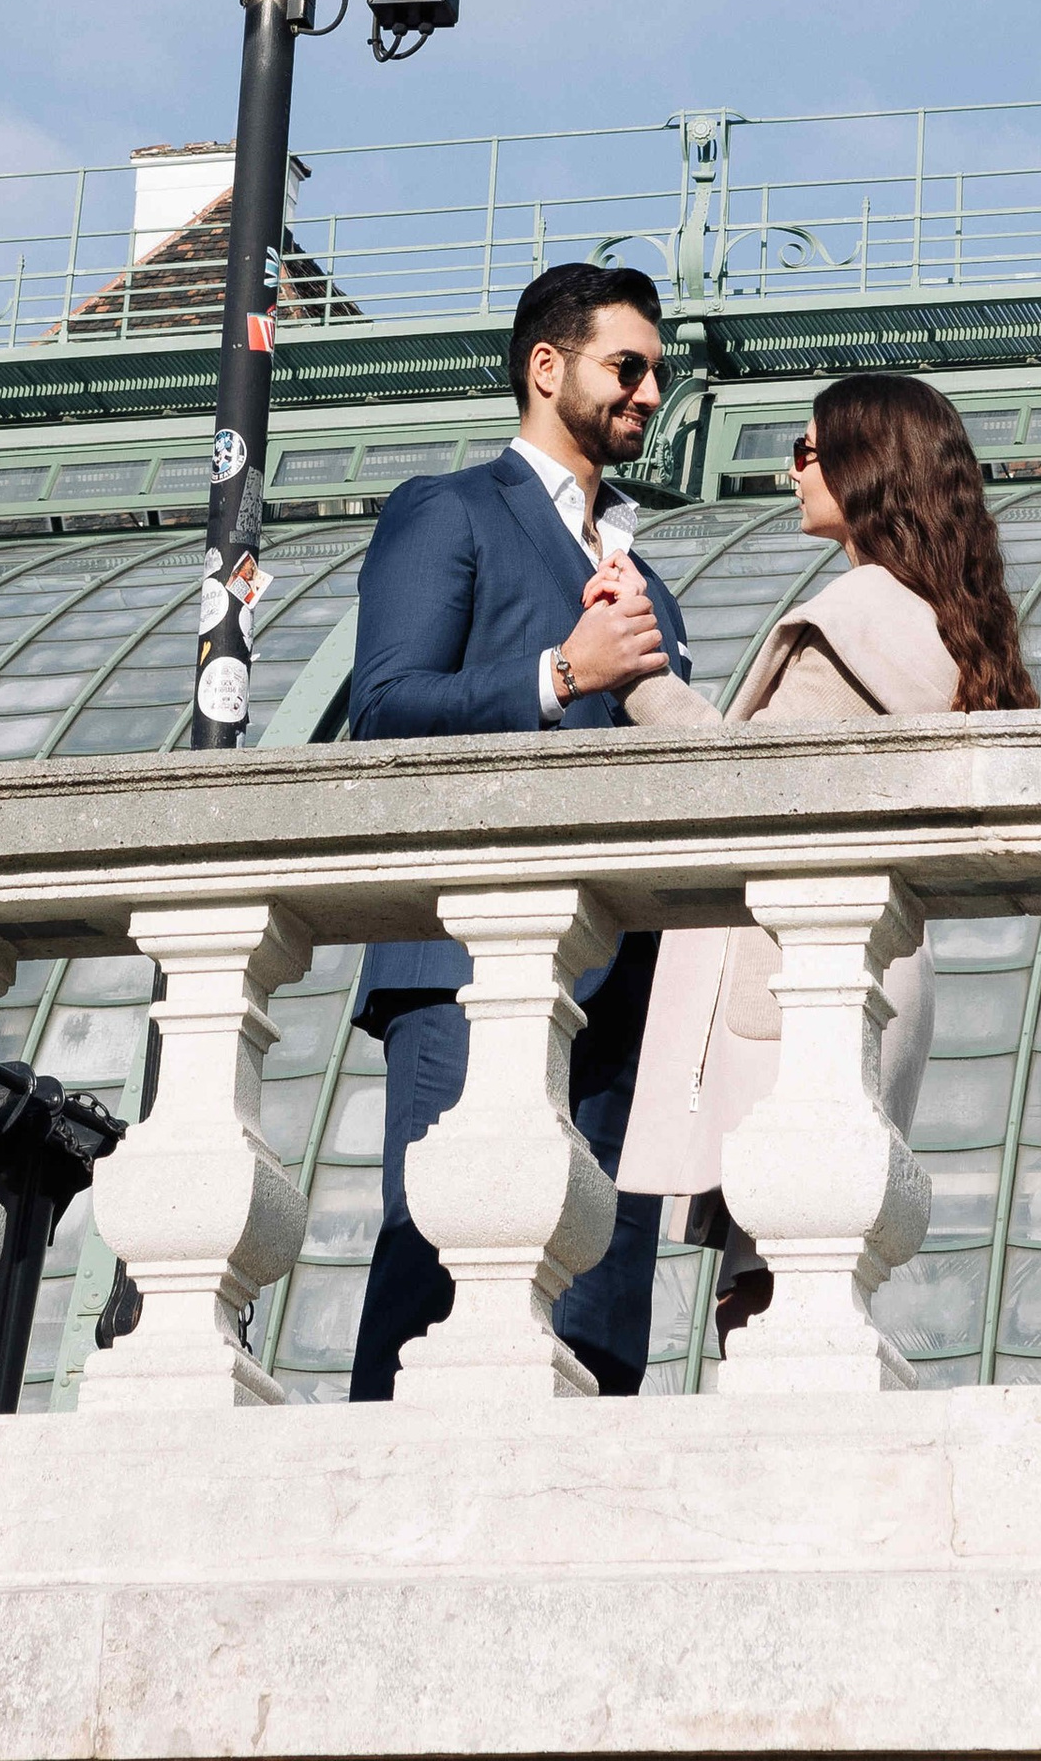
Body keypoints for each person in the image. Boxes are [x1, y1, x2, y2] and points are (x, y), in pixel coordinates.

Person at [613, 370, 1038, 1343]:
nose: (788, 469)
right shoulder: (940, 620)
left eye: (807, 450)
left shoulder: (852, 623)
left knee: (767, 1297)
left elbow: (741, 787)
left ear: (866, 467)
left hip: (791, 987)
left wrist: (638, 676)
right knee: (807, 1283)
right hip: (865, 975)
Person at [343, 259, 689, 1401]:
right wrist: (557, 673)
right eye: (624, 368)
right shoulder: (448, 511)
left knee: (595, 1309)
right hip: (462, 966)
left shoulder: (647, 585)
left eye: (656, 375)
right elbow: (386, 707)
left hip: (620, 984)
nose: (648, 393)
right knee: (443, 1272)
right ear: (547, 368)